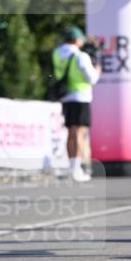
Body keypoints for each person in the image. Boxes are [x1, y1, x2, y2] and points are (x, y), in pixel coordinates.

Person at [52, 25, 100, 182]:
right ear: (76, 39)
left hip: (65, 96)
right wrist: (97, 66)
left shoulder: (57, 53)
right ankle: (76, 169)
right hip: (81, 95)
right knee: (79, 133)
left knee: (70, 133)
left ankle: (72, 166)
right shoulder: (80, 56)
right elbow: (92, 78)